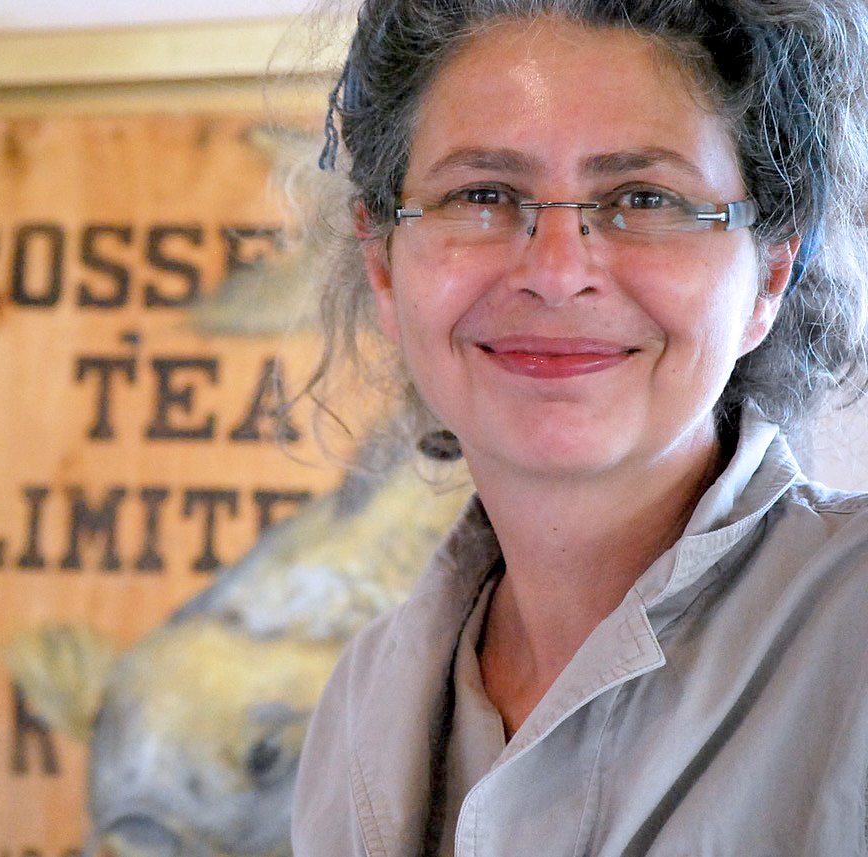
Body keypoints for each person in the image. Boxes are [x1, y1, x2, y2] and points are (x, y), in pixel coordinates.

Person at [290, 1, 868, 854]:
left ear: (771, 274)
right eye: (482, 195)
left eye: (644, 197)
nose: (557, 273)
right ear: (383, 264)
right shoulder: (356, 702)